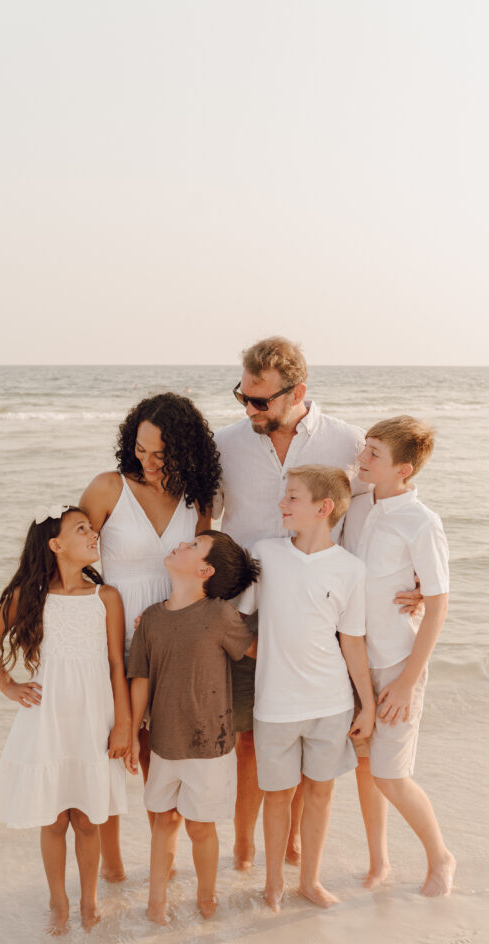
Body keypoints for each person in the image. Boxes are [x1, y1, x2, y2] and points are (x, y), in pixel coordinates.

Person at [212, 337, 419, 870]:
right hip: (245, 612)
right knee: (249, 738)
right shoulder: (226, 444)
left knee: (308, 737)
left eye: (261, 400)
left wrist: (417, 575)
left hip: (321, 613)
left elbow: (385, 512)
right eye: (244, 396)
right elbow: (199, 521)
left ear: (297, 391)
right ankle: (243, 844)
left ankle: (292, 847)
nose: (250, 409)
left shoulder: (348, 442)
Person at [80, 392, 221, 881]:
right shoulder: (107, 489)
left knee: (164, 755)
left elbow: (207, 571)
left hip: (176, 645)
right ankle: (114, 870)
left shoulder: (197, 498)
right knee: (116, 751)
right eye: (141, 449)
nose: (149, 461)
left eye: (161, 453)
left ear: (185, 450)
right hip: (115, 643)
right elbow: (71, 561)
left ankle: (165, 865)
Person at [0, 505, 131, 935]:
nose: (93, 534)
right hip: (47, 718)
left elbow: (117, 666)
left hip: (92, 719)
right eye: (81, 529)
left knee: (87, 818)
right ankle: (57, 902)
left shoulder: (107, 598)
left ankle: (89, 900)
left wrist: (123, 724)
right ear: (56, 545)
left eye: (92, 528)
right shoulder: (30, 598)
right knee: (54, 818)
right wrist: (10, 687)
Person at [238, 466, 375, 910]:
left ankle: (309, 882)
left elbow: (351, 642)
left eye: (292, 497)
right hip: (274, 705)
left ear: (324, 507)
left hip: (330, 703)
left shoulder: (352, 570)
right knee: (276, 796)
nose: (282, 504)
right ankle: (273, 883)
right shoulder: (266, 554)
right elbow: (240, 623)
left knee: (320, 792)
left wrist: (367, 706)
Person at [342, 416, 455, 896]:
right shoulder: (361, 503)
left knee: (391, 773)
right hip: (354, 660)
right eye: (364, 448)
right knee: (365, 766)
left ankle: (441, 857)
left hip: (397, 664)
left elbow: (439, 603)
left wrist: (408, 681)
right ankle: (379, 862)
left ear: (404, 470)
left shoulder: (422, 522)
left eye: (373, 454)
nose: (361, 459)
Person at [125, 531, 259, 924]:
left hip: (210, 745)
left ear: (205, 570)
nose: (181, 545)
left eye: (193, 546)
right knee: (164, 821)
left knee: (201, 827)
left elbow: (258, 650)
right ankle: (156, 901)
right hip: (165, 742)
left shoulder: (219, 615)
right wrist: (133, 734)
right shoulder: (150, 618)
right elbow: (141, 681)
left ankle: (206, 897)